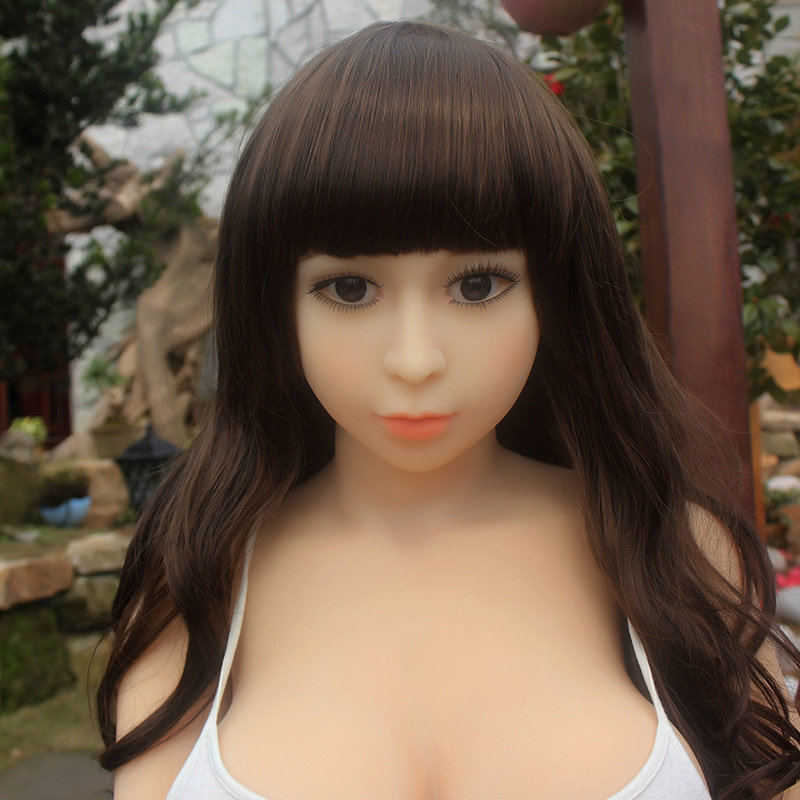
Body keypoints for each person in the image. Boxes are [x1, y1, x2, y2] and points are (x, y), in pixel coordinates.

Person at [96, 20, 800, 800]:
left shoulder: (673, 549)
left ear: (556, 294)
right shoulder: (196, 577)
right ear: (274, 306)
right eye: (349, 288)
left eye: (476, 285)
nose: (415, 360)